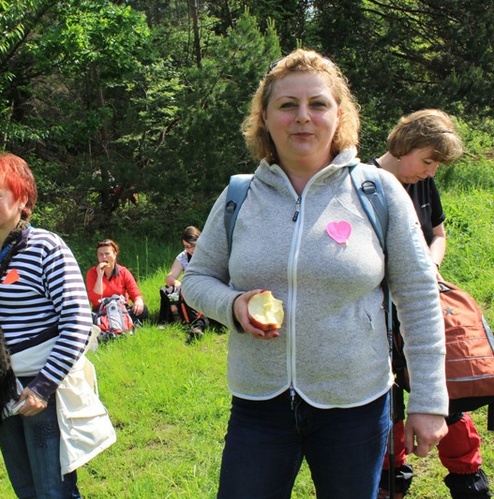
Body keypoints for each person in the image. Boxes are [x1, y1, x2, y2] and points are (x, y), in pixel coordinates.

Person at [182, 49, 449, 498]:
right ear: (265, 118)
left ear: (338, 114)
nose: (303, 117)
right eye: (287, 105)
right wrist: (233, 304)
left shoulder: (377, 191)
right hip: (258, 404)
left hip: (356, 405)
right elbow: (196, 278)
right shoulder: (238, 196)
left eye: (318, 104)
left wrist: (428, 400)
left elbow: (419, 297)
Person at [0, 153, 115, 498]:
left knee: (54, 491)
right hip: (0, 388)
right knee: (26, 490)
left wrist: (42, 386)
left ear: (22, 198)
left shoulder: (45, 247)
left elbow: (78, 320)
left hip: (40, 391)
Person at [373, 110, 486, 498]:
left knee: (445, 396)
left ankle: (469, 485)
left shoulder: (423, 184)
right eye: (428, 160)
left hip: (421, 308)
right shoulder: (365, 183)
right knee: (389, 412)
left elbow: (438, 234)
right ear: (405, 145)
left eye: (437, 164)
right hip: (378, 318)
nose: (431, 171)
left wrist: (428, 267)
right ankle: (391, 484)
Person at [158, 226, 208, 340]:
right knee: (166, 291)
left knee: (188, 294)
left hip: (205, 289)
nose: (191, 250)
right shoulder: (183, 257)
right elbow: (169, 277)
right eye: (187, 246)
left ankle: (197, 325)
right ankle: (165, 321)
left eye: (193, 245)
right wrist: (175, 281)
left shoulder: (208, 254)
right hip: (187, 289)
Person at [85, 239, 149, 325]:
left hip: (121, 309)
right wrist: (99, 276)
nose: (104, 257)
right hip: (101, 311)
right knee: (86, 318)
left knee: (143, 310)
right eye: (100, 254)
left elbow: (135, 294)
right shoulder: (92, 273)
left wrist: (138, 301)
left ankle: (119, 324)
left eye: (107, 254)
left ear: (115, 254)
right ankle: (118, 325)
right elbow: (96, 302)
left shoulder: (123, 271)